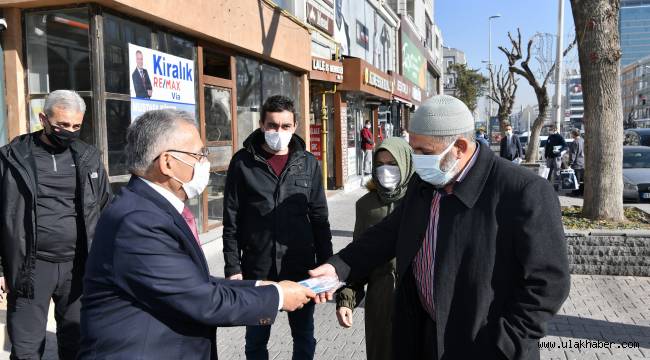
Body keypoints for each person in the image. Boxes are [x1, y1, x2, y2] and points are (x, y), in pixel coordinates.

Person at [310, 94, 570, 360]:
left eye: (425, 152)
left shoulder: (523, 191)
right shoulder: (425, 181)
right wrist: (338, 267)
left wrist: (504, 343)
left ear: (459, 146)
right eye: (414, 150)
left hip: (484, 347)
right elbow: (389, 232)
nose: (417, 160)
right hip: (425, 336)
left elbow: (549, 283)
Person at [78, 109, 315, 359]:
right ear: (167, 162)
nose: (205, 162)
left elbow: (189, 282)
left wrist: (258, 285)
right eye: (198, 154)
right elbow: (203, 300)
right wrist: (278, 296)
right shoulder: (138, 221)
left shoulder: (150, 208)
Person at [0, 90, 112, 359]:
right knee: (26, 350)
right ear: (43, 118)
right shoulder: (11, 158)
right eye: (62, 125)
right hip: (30, 268)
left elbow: (106, 208)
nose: (69, 131)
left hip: (78, 268)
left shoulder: (89, 157)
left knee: (76, 345)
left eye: (76, 126)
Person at [222, 95, 332, 360]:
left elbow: (320, 219)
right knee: (256, 341)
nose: (278, 132)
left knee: (304, 337)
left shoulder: (308, 163)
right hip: (258, 270)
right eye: (272, 125)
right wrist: (233, 268)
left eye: (285, 126)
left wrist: (328, 266)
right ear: (261, 124)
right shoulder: (242, 163)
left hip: (301, 267)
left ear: (294, 126)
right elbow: (231, 219)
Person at [335, 137, 414, 360]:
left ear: (406, 163)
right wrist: (347, 299)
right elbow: (358, 257)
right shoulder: (366, 206)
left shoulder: (421, 201)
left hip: (417, 303)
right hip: (381, 303)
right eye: (380, 165)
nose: (386, 170)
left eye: (392, 163)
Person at [568, 129, 584, 195]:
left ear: (574, 134)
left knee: (576, 179)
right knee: (582, 179)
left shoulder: (575, 142)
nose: (571, 135)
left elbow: (573, 153)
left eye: (571, 133)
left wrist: (570, 163)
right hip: (583, 162)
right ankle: (581, 191)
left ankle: (575, 192)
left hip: (577, 163)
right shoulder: (583, 140)